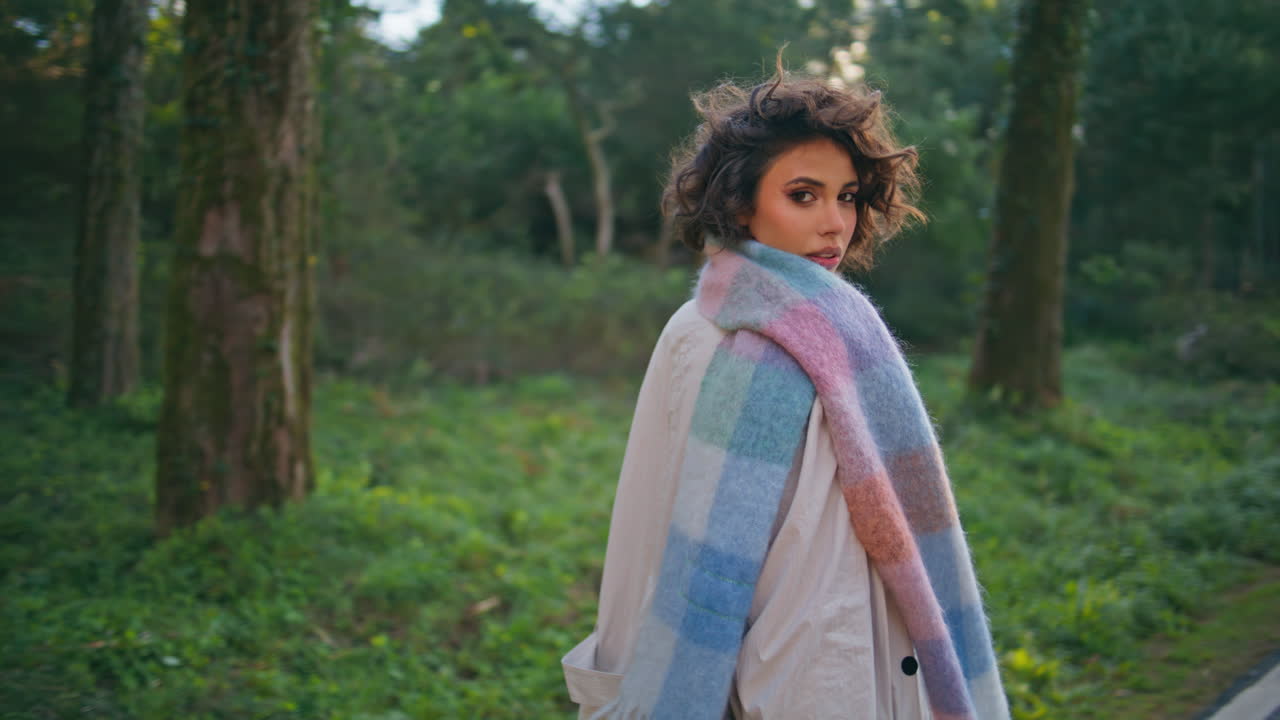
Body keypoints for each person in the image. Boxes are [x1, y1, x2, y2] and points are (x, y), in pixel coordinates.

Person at [561, 60, 1010, 720]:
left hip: (862, 651)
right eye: (804, 195)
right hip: (776, 669)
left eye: (848, 196)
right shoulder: (704, 333)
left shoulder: (843, 330)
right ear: (742, 202)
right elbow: (649, 517)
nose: (835, 223)